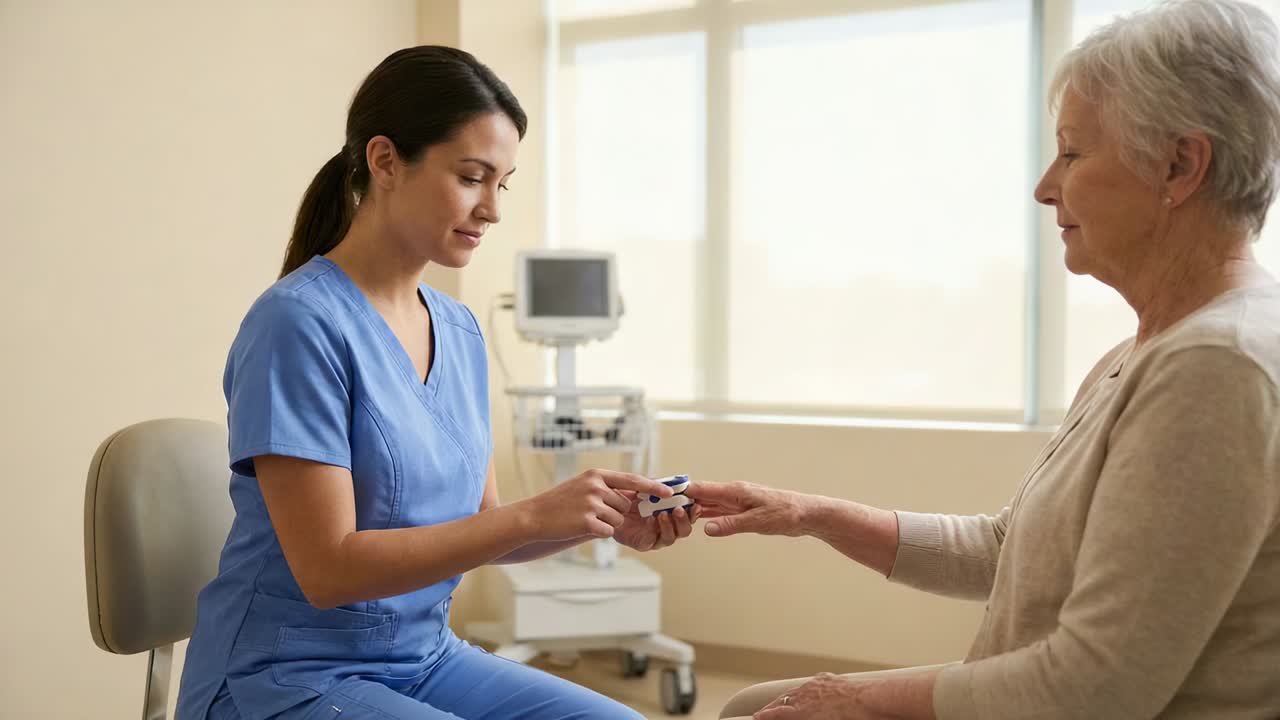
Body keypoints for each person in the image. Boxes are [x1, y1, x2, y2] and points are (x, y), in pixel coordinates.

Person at [691, 1, 1280, 717]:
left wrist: (857, 697)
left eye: (1072, 152)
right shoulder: (1147, 350)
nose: (1045, 187)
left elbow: (1097, 687)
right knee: (756, 702)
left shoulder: (1217, 367)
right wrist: (810, 513)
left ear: (1180, 164)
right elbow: (1009, 554)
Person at [175, 46, 698, 720]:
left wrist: (596, 520)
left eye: (502, 183)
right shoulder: (297, 325)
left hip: (423, 659)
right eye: (472, 177)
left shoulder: (457, 330)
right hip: (283, 674)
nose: (492, 209)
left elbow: (484, 525)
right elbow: (328, 570)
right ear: (385, 160)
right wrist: (535, 514)